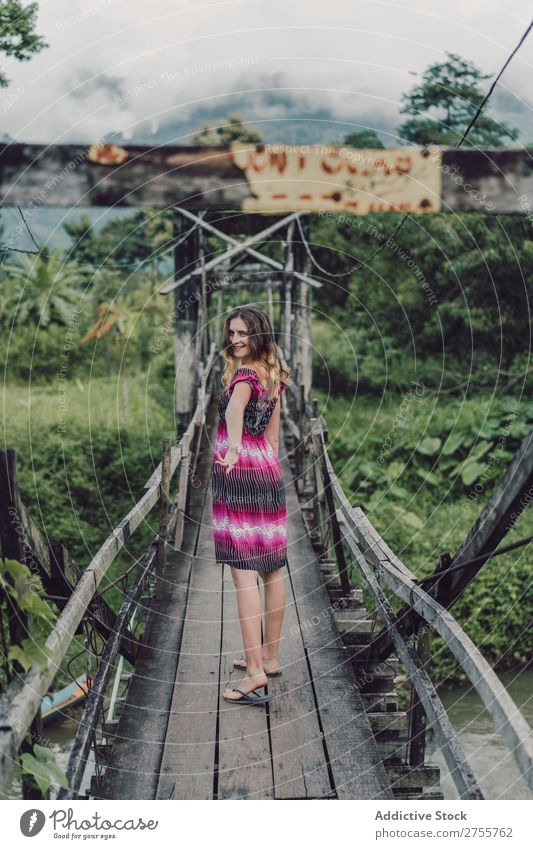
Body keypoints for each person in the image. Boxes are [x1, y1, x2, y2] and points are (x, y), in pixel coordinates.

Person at [211, 304, 290, 706]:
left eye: (243, 333)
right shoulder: (274, 375)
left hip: (239, 471)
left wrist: (235, 447)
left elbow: (234, 408)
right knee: (271, 568)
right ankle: (270, 657)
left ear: (258, 334)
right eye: (232, 333)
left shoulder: (243, 375)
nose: (236, 340)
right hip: (267, 470)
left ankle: (255, 673)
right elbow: (274, 437)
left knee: (243, 572)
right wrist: (267, 468)